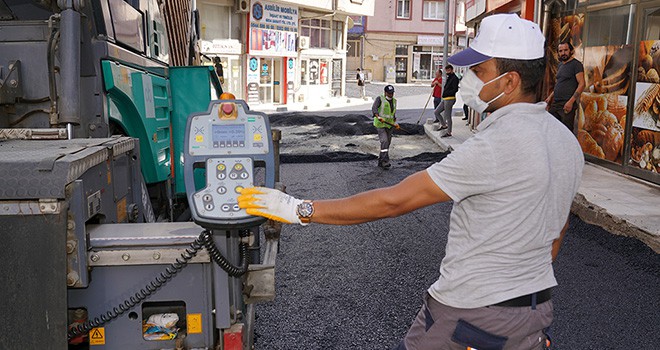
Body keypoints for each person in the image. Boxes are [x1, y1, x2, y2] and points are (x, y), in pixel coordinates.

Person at [238, 13, 584, 350]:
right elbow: (558, 228)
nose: (468, 80)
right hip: (534, 311)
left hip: (470, 316)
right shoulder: (565, 142)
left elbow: (394, 201)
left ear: (509, 81)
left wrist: (299, 209)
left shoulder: (494, 145)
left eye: (479, 71)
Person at [545, 41, 585, 132]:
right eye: (560, 51)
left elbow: (582, 84)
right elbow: (560, 83)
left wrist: (570, 102)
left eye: (566, 50)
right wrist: (550, 97)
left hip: (566, 105)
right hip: (555, 104)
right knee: (551, 130)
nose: (563, 53)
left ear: (571, 51)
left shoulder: (576, 65)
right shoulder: (560, 65)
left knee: (566, 133)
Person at [370, 85, 399, 168]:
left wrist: (394, 122)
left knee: (387, 143)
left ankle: (381, 160)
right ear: (385, 92)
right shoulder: (380, 99)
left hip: (390, 125)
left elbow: (392, 113)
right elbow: (374, 108)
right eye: (389, 93)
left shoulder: (394, 101)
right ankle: (384, 161)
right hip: (380, 124)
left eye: (392, 93)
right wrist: (378, 116)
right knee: (384, 141)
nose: (391, 95)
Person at [433, 64, 460, 137]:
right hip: (445, 98)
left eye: (448, 70)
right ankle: (444, 125)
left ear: (451, 70)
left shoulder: (455, 78)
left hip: (450, 99)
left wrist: (447, 93)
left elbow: (455, 89)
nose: (447, 72)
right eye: (446, 70)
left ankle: (449, 132)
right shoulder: (449, 78)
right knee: (436, 112)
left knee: (448, 116)